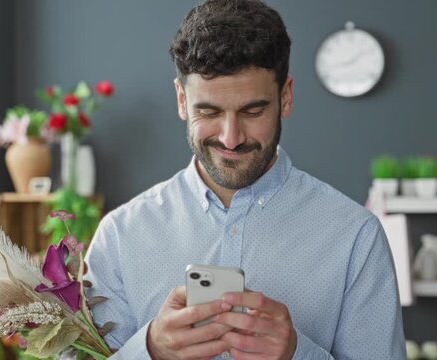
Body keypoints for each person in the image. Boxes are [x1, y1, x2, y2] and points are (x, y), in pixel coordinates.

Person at [85, 0, 406, 359]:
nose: (231, 137)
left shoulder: (355, 237)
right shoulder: (119, 236)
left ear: (285, 96)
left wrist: (297, 354)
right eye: (208, 111)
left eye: (253, 111)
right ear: (181, 99)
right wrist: (150, 350)